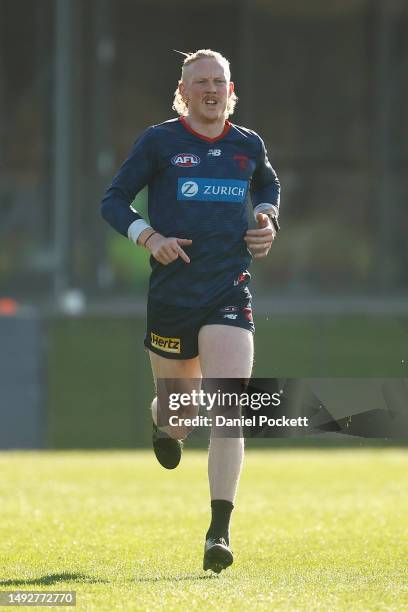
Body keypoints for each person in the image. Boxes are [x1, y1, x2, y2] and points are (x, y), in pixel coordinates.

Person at [100, 49, 280, 574]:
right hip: (173, 297)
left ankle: (218, 533)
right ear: (183, 91)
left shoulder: (249, 145)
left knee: (229, 409)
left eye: (218, 81)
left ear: (231, 90)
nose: (210, 88)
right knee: (183, 418)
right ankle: (162, 424)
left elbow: (267, 186)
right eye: (199, 81)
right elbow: (113, 201)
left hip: (228, 289)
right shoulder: (159, 141)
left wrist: (268, 216)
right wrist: (148, 235)